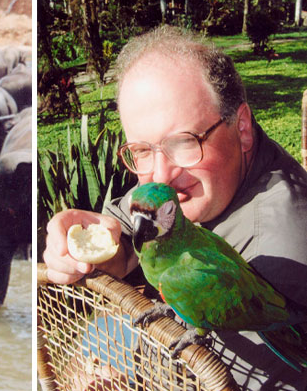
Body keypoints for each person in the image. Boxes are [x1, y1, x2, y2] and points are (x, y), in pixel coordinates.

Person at [43, 26, 307, 389]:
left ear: (242, 127)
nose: (161, 176)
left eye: (184, 142)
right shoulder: (189, 192)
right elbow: (140, 219)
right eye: (141, 150)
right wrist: (95, 240)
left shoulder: (282, 255)